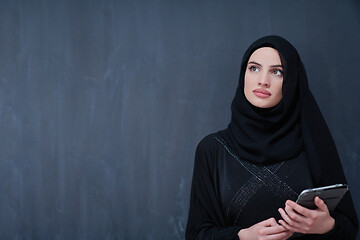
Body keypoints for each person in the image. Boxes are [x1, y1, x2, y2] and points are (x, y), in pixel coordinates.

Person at [185, 35, 358, 240]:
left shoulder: (314, 145)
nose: (263, 81)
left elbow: (349, 228)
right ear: (243, 75)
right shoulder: (212, 149)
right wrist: (242, 237)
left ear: (291, 82)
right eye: (254, 68)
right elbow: (196, 235)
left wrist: (327, 227)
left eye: (277, 72)